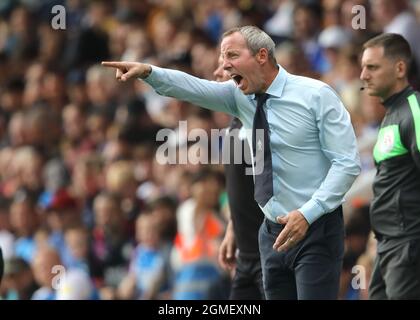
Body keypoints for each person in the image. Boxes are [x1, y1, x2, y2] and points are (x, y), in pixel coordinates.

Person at [102, 25, 361, 300]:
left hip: (315, 229)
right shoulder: (240, 98)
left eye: (232, 56)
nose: (224, 66)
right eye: (223, 57)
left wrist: (308, 213)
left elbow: (347, 163)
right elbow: (192, 88)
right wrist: (149, 72)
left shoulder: (316, 95)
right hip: (271, 234)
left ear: (262, 55)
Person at [360, 33, 420, 299]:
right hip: (387, 246)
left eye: (372, 67)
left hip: (408, 246)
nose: (363, 75)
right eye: (363, 67)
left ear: (399, 68)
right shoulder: (392, 115)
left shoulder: (414, 110)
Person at [214, 57, 265, 300]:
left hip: (270, 255)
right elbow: (247, 183)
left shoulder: (260, 119)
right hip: (245, 256)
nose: (215, 74)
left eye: (222, 69)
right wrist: (233, 228)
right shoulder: (234, 124)